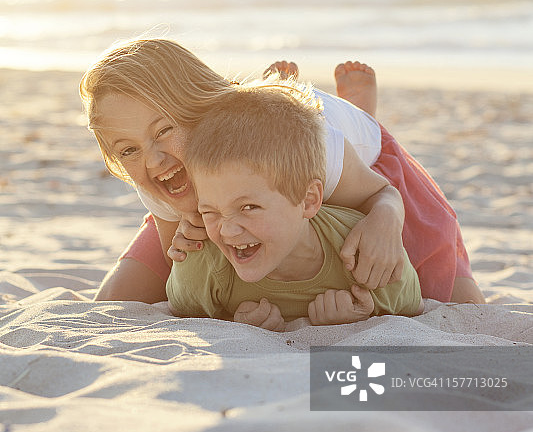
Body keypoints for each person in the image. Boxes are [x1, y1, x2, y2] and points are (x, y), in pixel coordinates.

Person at [79, 37, 484, 306]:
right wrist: (190, 233)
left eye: (164, 130)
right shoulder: (158, 171)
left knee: (452, 300)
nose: (152, 160)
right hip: (232, 192)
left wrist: (385, 221)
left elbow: (382, 194)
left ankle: (357, 113)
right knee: (113, 302)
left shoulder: (296, 141)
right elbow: (183, 271)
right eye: (128, 149)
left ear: (195, 107)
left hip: (356, 163)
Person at [166, 83, 423, 329]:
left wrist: (363, 316)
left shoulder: (365, 254)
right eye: (210, 211)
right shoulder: (203, 263)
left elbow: (412, 306)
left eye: (248, 208)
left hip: (358, 152)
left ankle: (362, 109)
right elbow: (184, 315)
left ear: (309, 200)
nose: (228, 231)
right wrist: (232, 320)